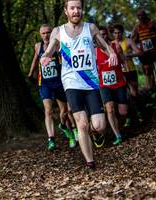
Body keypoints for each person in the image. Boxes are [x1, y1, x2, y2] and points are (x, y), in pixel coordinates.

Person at [40, 0, 118, 168]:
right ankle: (90, 161)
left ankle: (97, 134)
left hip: (91, 83)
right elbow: (52, 47)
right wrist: (46, 55)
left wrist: (111, 52)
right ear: (66, 11)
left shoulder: (90, 28)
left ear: (82, 10)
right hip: (71, 82)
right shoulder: (58, 31)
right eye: (72, 8)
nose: (76, 11)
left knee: (99, 125)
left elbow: (102, 43)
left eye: (79, 8)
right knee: (81, 124)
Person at [28, 24, 77, 150]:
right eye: (43, 33)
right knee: (48, 111)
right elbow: (35, 59)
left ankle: (66, 129)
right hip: (45, 83)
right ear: (40, 35)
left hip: (59, 82)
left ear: (52, 33)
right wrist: (30, 73)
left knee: (65, 112)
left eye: (48, 32)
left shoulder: (57, 45)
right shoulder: (38, 46)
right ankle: (51, 139)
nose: (46, 35)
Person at [96, 27, 128, 145]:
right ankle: (117, 135)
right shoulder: (94, 51)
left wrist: (124, 66)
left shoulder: (116, 47)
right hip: (104, 84)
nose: (102, 37)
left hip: (119, 82)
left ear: (107, 35)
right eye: (99, 35)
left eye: (104, 34)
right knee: (109, 109)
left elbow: (123, 61)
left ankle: (120, 127)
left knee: (123, 112)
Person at [112, 24, 143, 126]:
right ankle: (129, 117)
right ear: (113, 33)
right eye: (115, 33)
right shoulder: (111, 44)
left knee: (134, 92)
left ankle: (140, 112)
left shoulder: (128, 41)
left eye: (119, 32)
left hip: (130, 70)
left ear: (122, 32)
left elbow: (139, 52)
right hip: (119, 72)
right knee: (123, 95)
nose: (117, 35)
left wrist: (129, 55)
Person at [131, 9, 156, 91]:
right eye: (139, 16)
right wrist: (136, 47)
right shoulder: (137, 27)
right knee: (147, 69)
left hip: (155, 51)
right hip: (145, 52)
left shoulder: (152, 23)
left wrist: (155, 38)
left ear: (145, 15)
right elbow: (132, 40)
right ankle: (150, 86)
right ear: (137, 17)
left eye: (142, 15)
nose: (140, 17)